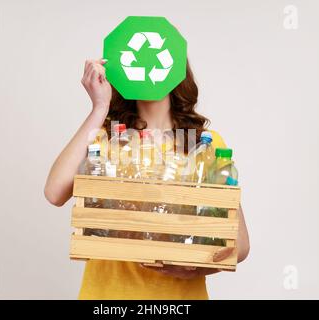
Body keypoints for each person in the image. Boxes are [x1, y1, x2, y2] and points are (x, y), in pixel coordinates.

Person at [44, 59, 250, 299]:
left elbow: (241, 244)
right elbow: (54, 192)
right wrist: (99, 108)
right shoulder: (107, 138)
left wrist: (193, 271)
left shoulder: (203, 144)